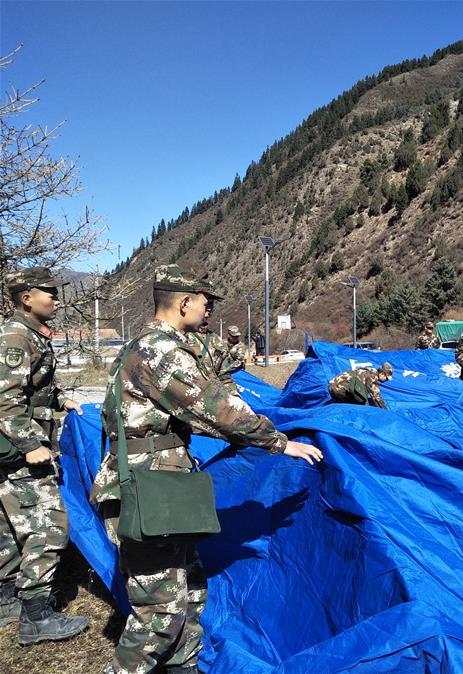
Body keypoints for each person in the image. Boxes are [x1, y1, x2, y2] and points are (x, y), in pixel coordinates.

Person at [91, 264, 322, 674]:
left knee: (190, 591)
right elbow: (215, 410)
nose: (209, 309)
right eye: (204, 301)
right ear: (184, 303)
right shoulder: (160, 351)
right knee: (159, 611)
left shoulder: (156, 345)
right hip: (148, 488)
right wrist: (280, 442)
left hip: (164, 483)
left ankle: (182, 667)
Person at [0, 267, 89, 644]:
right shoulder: (17, 336)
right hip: (21, 449)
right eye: (48, 292)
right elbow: (5, 400)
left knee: (9, 523)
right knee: (49, 525)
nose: (56, 298)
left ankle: (7, 599)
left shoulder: (30, 334)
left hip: (12, 450)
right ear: (26, 298)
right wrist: (31, 445)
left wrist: (61, 399)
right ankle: (36, 617)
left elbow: (33, 387)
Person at [328, 363, 393, 409]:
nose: (386, 381)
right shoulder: (372, 376)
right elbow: (376, 397)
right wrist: (385, 411)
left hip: (332, 387)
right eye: (386, 378)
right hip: (340, 388)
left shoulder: (368, 371)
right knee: (362, 401)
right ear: (382, 374)